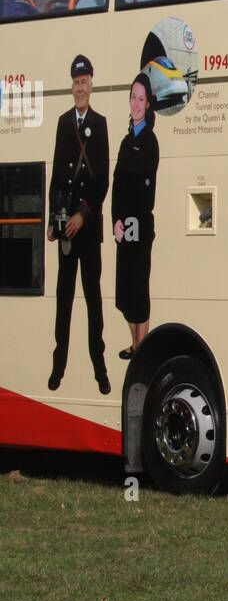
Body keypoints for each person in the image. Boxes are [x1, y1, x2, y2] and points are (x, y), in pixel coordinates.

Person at [47, 56, 110, 394]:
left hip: (86, 227)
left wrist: (81, 215)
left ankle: (99, 367)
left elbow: (101, 181)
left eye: (84, 82)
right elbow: (58, 178)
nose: (80, 88)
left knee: (93, 299)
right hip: (66, 231)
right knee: (64, 298)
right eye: (76, 83)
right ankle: (59, 366)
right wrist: (55, 219)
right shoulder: (61, 123)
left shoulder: (99, 124)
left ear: (91, 85)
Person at [112, 73, 159, 357]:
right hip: (126, 223)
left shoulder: (150, 141)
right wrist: (116, 220)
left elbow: (144, 188)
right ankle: (136, 342)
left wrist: (128, 217)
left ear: (148, 104)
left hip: (140, 222)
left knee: (138, 287)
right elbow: (118, 185)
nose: (136, 104)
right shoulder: (125, 141)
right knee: (124, 290)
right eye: (133, 98)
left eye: (141, 99)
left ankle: (142, 348)